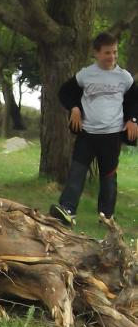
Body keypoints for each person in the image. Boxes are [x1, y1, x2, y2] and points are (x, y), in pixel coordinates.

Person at [49, 31, 138, 228]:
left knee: (108, 177)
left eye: (114, 52)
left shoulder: (124, 77)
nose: (112, 56)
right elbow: (65, 92)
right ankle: (68, 211)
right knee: (77, 172)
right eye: (107, 52)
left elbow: (134, 100)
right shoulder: (85, 75)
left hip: (112, 136)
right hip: (87, 135)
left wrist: (133, 119)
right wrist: (74, 108)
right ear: (96, 53)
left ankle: (106, 216)